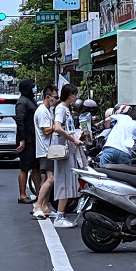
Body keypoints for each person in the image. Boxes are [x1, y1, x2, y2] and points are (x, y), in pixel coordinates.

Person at [50, 84, 84, 228]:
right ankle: (59, 216)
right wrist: (73, 139)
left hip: (68, 149)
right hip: (63, 150)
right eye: (75, 94)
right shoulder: (61, 109)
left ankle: (61, 214)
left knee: (67, 180)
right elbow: (57, 127)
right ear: (70, 95)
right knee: (63, 181)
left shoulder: (66, 109)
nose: (76, 97)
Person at [33, 85, 59, 219]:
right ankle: (38, 205)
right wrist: (56, 126)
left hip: (48, 149)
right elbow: (46, 130)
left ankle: (45, 207)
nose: (57, 100)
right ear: (48, 97)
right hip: (46, 149)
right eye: (55, 97)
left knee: (47, 179)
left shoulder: (47, 110)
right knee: (51, 179)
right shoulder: (43, 111)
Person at [15, 79, 39, 205]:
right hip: (26, 140)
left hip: (34, 139)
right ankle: (22, 195)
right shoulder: (22, 102)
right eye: (33, 86)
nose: (35, 89)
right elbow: (20, 121)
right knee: (25, 167)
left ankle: (40, 194)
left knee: (36, 167)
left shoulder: (31, 100)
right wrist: (22, 140)